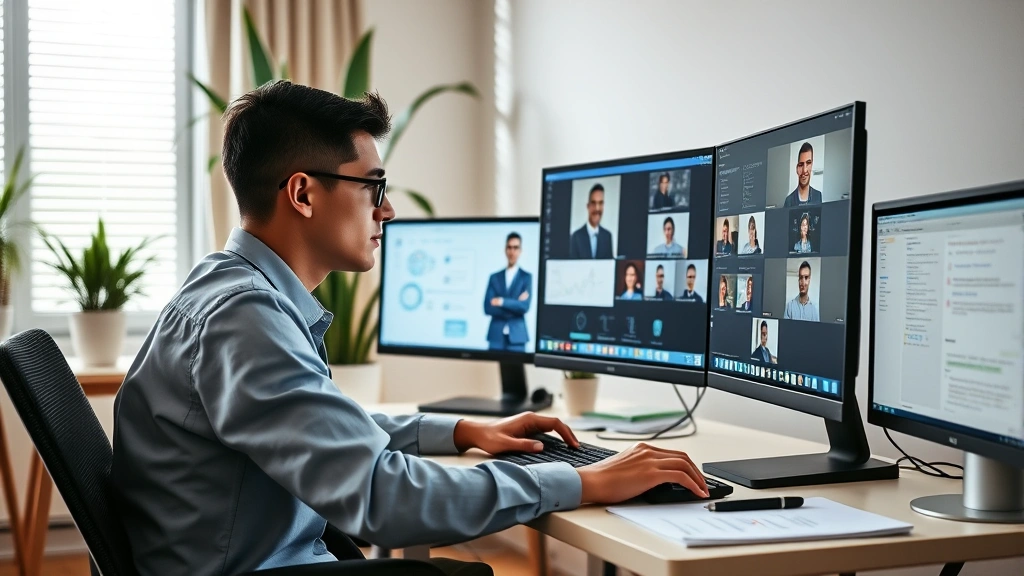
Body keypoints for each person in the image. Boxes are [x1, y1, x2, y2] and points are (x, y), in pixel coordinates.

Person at [109, 82, 708, 576]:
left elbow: (318, 429)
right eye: (374, 187)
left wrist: (463, 430)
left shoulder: (231, 290)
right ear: (303, 193)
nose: (387, 210)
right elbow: (381, 498)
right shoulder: (245, 317)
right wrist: (582, 481)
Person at [484, 232, 532, 351]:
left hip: (517, 336)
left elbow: (524, 307)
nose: (512, 252)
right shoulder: (494, 277)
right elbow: (487, 307)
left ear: (520, 250)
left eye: (516, 248)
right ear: (505, 250)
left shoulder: (526, 277)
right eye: (509, 247)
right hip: (496, 335)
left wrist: (501, 301)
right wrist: (514, 304)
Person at [569, 184, 614, 258]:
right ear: (588, 206)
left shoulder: (607, 236)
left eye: (600, 203)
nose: (597, 208)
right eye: (593, 203)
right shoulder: (576, 237)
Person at [783, 142, 823, 206]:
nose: (804, 170)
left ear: (812, 165)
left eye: (808, 163)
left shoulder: (818, 196)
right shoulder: (789, 200)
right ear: (797, 169)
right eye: (801, 165)